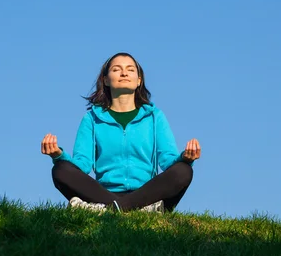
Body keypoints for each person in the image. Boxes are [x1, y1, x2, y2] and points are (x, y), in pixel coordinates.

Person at [41, 52, 201, 214]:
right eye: (117, 69)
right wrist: (58, 155)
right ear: (105, 80)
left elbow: (167, 160)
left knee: (183, 171)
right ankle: (135, 210)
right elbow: (82, 163)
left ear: (139, 80)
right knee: (60, 170)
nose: (124, 73)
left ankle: (107, 210)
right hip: (103, 193)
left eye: (130, 70)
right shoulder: (91, 118)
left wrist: (185, 158)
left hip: (147, 193)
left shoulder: (154, 117)